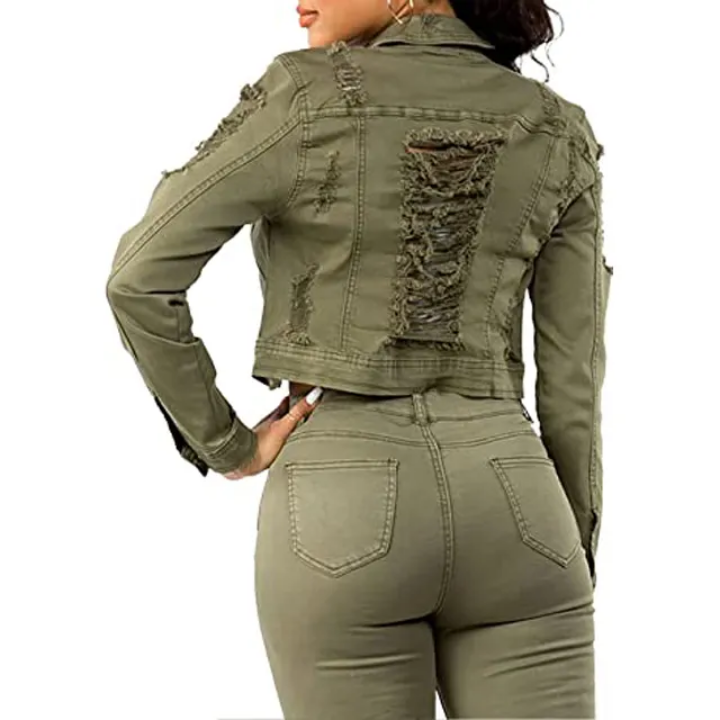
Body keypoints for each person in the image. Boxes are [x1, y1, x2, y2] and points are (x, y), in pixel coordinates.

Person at [105, 0, 611, 717]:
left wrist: (228, 446)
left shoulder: (305, 96)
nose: (299, 2)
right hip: (520, 505)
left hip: (340, 500)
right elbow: (573, 373)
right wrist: (571, 544)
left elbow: (138, 280)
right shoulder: (558, 127)